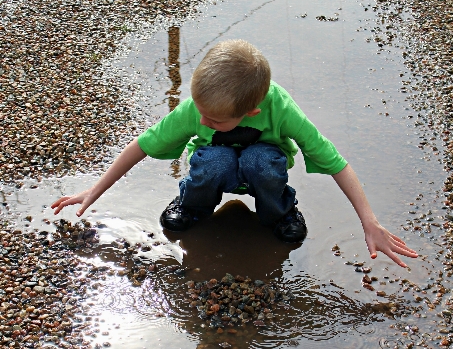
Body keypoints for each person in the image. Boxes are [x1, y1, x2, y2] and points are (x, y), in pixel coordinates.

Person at [52, 39, 417, 268]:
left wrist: (369, 221)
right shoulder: (198, 108)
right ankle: (192, 207)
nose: (203, 119)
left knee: (261, 160)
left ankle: (279, 215)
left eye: (213, 119)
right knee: (215, 160)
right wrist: (94, 190)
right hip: (215, 165)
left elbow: (337, 164)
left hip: (263, 168)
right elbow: (142, 146)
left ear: (252, 111)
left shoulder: (282, 110)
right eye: (200, 112)